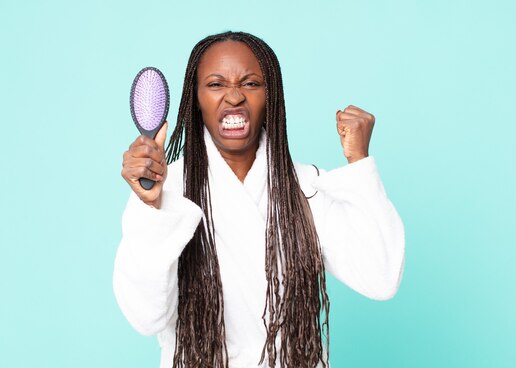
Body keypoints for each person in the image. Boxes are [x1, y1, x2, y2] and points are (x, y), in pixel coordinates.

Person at [114, 31, 405, 368]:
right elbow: (145, 317)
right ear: (195, 98)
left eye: (251, 83)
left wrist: (359, 163)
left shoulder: (305, 187)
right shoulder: (166, 190)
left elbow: (380, 278)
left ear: (271, 96)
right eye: (216, 84)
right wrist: (150, 207)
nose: (234, 96)